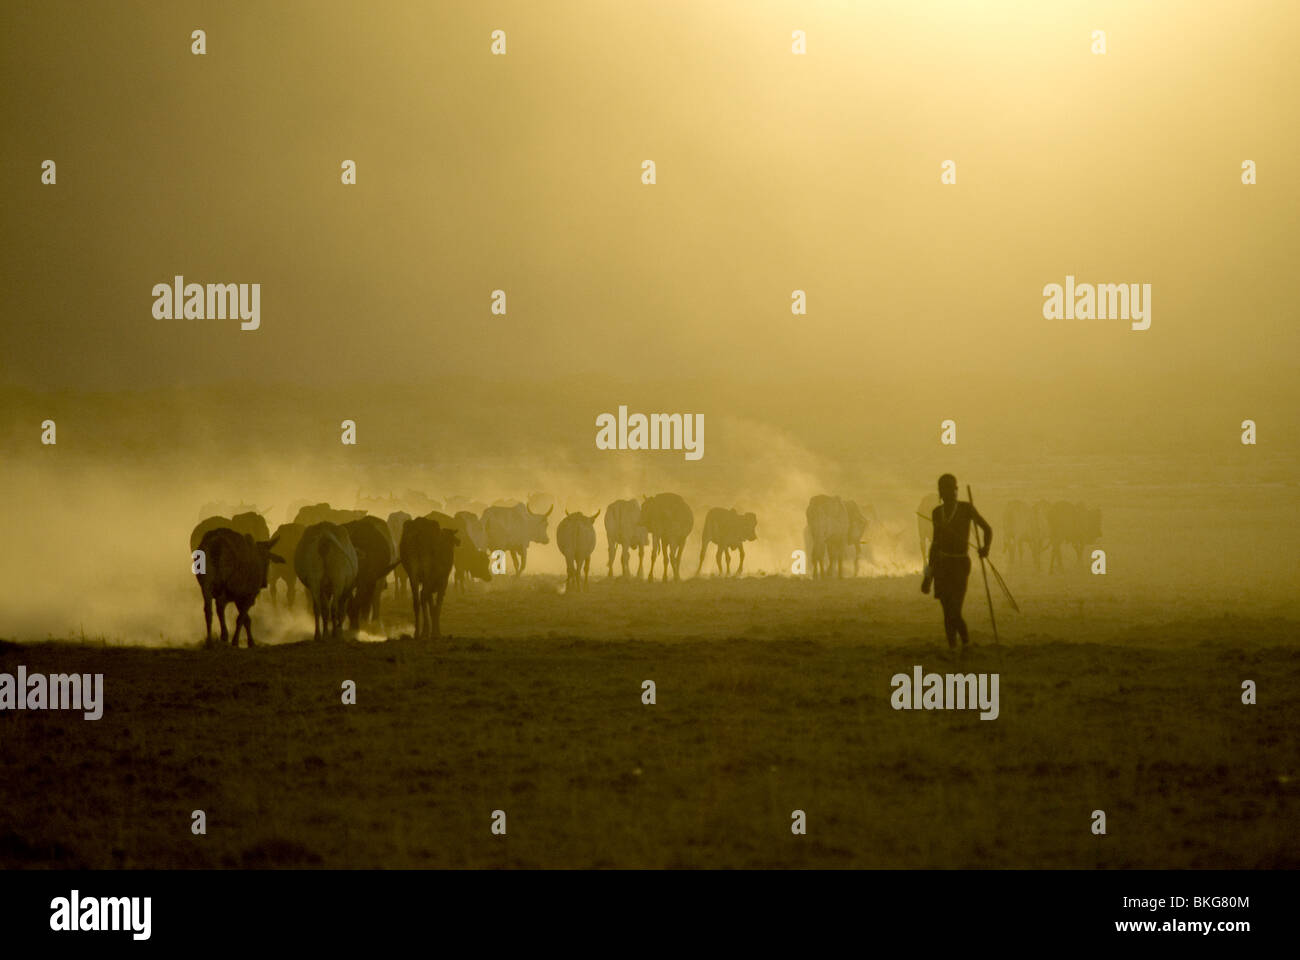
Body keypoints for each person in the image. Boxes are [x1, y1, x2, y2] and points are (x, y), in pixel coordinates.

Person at [921, 474, 992, 652]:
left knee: (954, 607)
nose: (950, 492)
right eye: (945, 489)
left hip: (960, 564)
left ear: (956, 489)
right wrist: (928, 576)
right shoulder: (937, 513)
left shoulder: (966, 509)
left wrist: (985, 548)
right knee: (947, 609)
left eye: (952, 488)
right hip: (941, 565)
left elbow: (987, 529)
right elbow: (935, 545)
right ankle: (953, 646)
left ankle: (966, 641)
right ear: (940, 492)